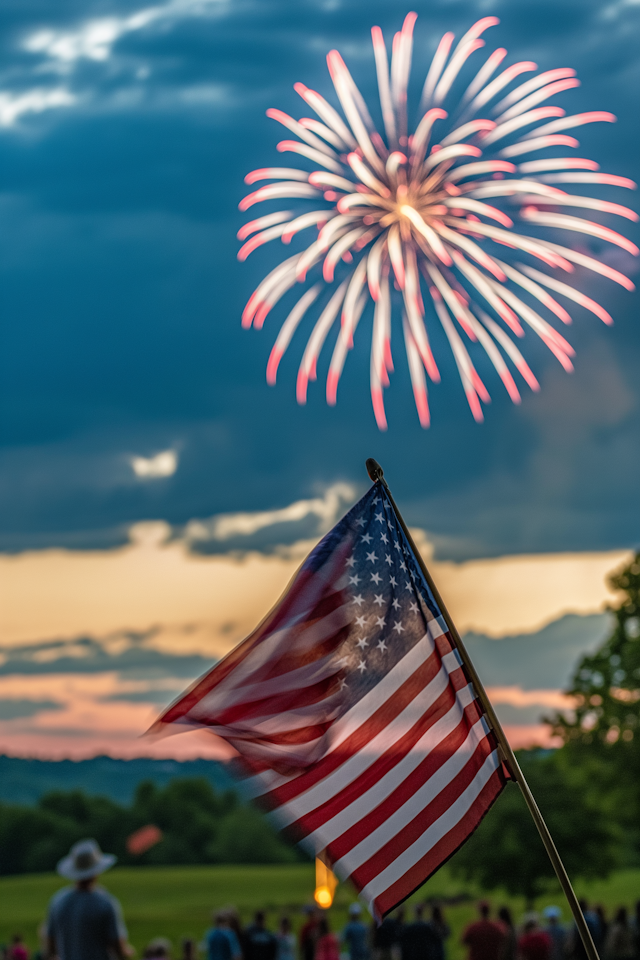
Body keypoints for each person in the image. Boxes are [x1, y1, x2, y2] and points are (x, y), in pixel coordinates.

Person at [46, 838, 131, 960]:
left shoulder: (58, 901)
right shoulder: (105, 902)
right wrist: (127, 952)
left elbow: (50, 946)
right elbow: (117, 946)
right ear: (96, 870)